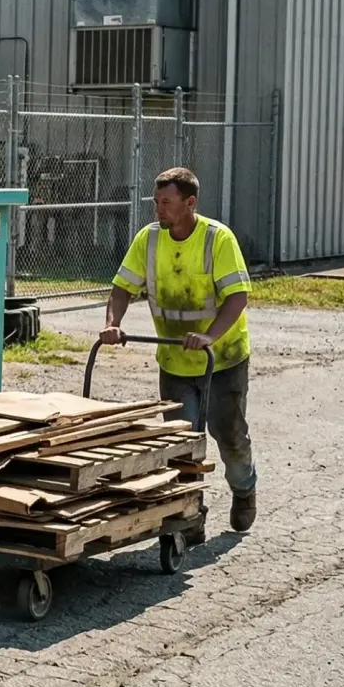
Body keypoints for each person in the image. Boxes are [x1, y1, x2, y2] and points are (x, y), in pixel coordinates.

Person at [100, 167, 257, 532]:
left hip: (221, 361)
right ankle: (189, 517)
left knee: (229, 435)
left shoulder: (217, 239)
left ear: (190, 202)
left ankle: (244, 489)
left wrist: (209, 336)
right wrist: (113, 323)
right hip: (174, 362)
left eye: (167, 202)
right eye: (157, 202)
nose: (159, 209)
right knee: (180, 443)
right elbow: (122, 288)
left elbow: (237, 297)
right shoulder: (149, 239)